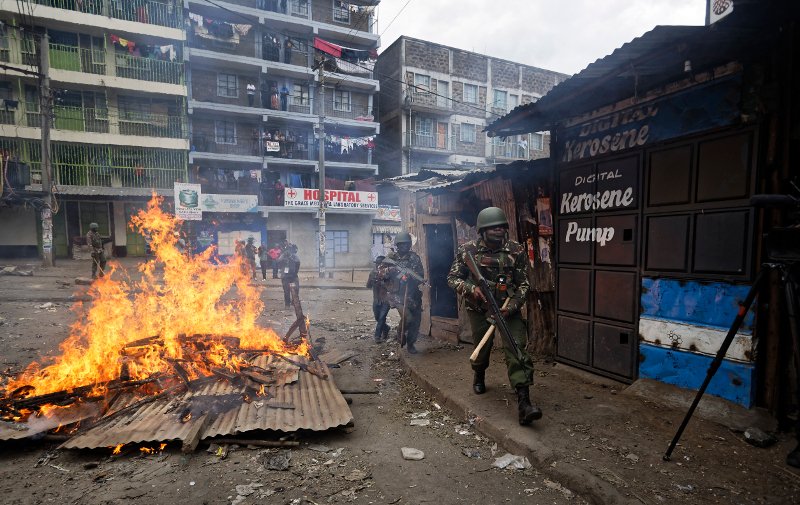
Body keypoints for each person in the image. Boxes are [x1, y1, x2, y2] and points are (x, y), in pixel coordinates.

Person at [447, 206, 542, 426]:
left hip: (508, 308)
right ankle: (479, 373)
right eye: (493, 228)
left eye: (501, 227)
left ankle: (524, 402)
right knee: (482, 348)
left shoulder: (516, 250)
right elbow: (452, 278)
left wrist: (513, 306)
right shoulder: (467, 251)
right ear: (482, 230)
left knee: (516, 347)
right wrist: (471, 289)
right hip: (480, 309)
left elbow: (523, 284)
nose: (499, 230)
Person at [380, 231, 424, 354]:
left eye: (407, 244)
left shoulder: (414, 258)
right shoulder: (391, 257)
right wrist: (391, 270)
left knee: (416, 321)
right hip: (397, 295)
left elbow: (421, 275)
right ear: (397, 245)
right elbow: (380, 273)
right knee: (407, 318)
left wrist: (411, 278)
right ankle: (400, 332)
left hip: (412, 295)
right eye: (402, 244)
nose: (405, 246)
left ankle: (411, 344)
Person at [366, 255, 390, 342]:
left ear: (385, 265)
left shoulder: (389, 274)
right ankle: (386, 328)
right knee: (377, 318)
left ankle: (377, 336)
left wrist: (384, 280)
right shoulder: (373, 273)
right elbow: (368, 286)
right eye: (377, 263)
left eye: (380, 264)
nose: (378, 265)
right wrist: (372, 280)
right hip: (376, 300)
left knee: (381, 318)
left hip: (386, 300)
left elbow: (392, 288)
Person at [279, 244, 300, 308]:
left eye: (290, 250)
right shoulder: (283, 255)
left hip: (293, 276)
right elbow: (279, 261)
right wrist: (284, 259)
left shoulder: (294, 256)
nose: (289, 251)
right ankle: (287, 304)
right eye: (287, 250)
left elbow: (298, 263)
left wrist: (291, 258)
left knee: (296, 289)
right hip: (285, 277)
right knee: (286, 291)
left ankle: (294, 302)